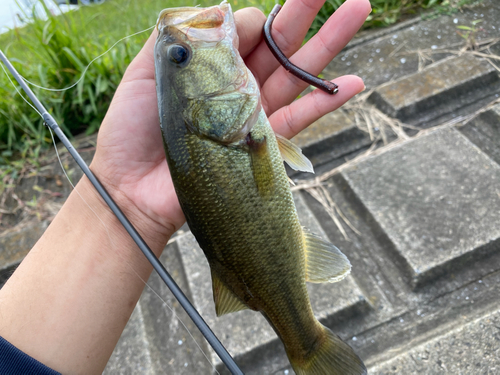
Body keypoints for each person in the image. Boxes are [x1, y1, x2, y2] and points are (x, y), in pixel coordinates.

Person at [0, 0, 371, 373]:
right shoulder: (243, 134)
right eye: (182, 56)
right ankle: (307, 346)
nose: (185, 47)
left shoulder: (237, 132)